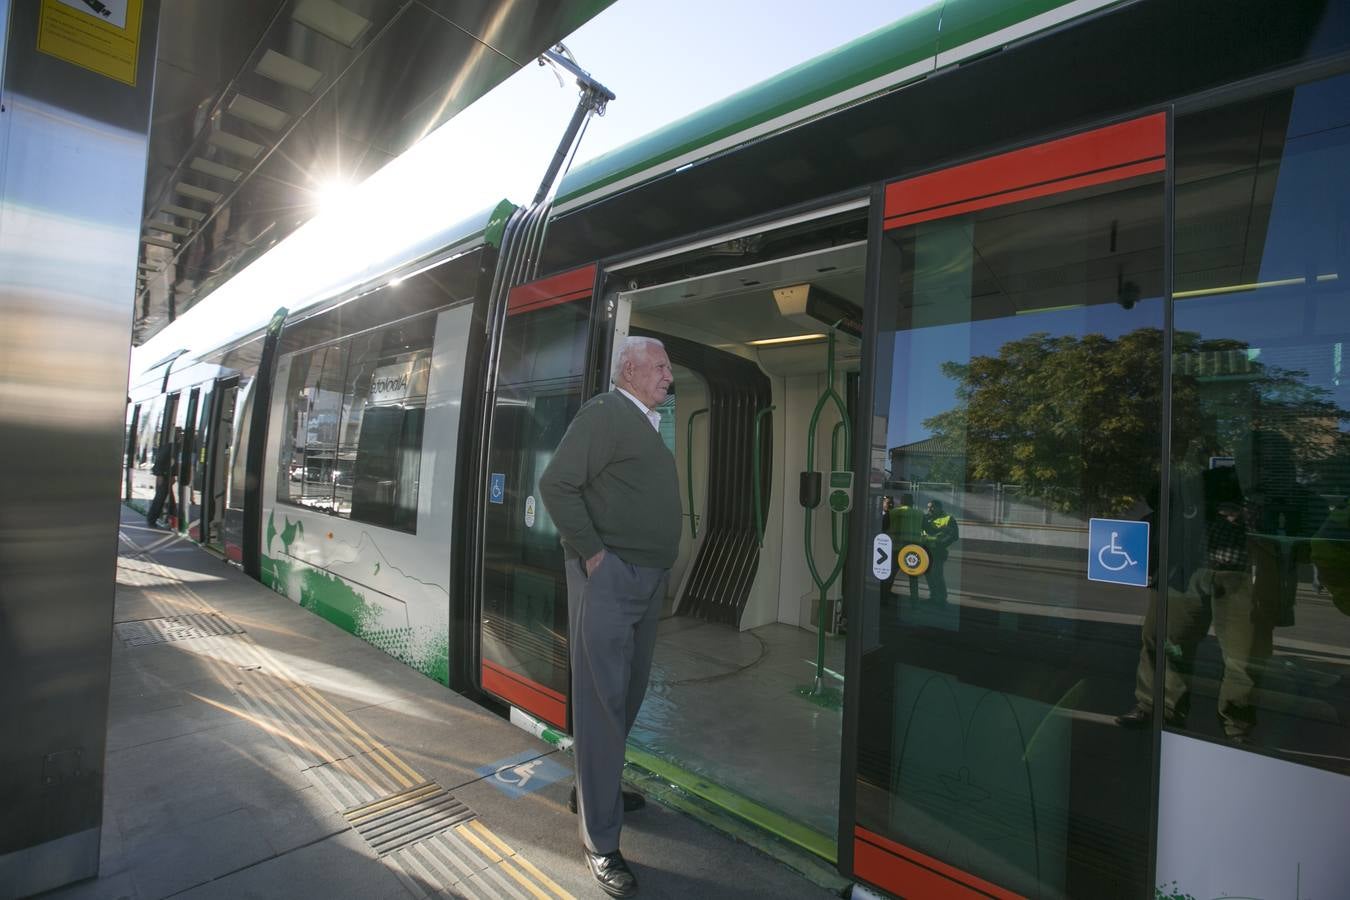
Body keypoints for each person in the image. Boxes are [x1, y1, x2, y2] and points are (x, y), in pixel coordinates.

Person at [539, 336, 681, 898]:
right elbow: (557, 484)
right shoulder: (606, 412)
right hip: (614, 579)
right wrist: (596, 555)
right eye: (661, 366)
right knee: (602, 703)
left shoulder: (644, 419)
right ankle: (600, 842)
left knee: (629, 693)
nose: (669, 375)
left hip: (647, 581)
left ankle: (596, 787)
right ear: (629, 369)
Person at [884, 493, 923, 602]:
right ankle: (914, 600)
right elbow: (927, 529)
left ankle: (884, 598)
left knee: (890, 574)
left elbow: (882, 528)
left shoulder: (892, 513)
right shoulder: (919, 514)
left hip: (896, 548)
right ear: (913, 502)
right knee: (913, 576)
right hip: (912, 550)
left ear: (901, 502)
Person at [921, 499, 958, 604]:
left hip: (939, 551)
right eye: (928, 507)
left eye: (932, 507)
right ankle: (933, 596)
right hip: (926, 550)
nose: (929, 509)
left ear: (939, 508)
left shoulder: (948, 519)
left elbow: (954, 536)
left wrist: (941, 544)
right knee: (928, 574)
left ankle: (941, 598)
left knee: (936, 574)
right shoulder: (926, 518)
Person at [146, 440, 177, 529]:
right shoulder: (170, 446)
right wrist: (159, 474)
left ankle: (172, 519)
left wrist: (173, 475)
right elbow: (160, 460)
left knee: (167, 498)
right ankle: (152, 518)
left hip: (167, 475)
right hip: (164, 475)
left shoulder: (175, 446)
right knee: (161, 497)